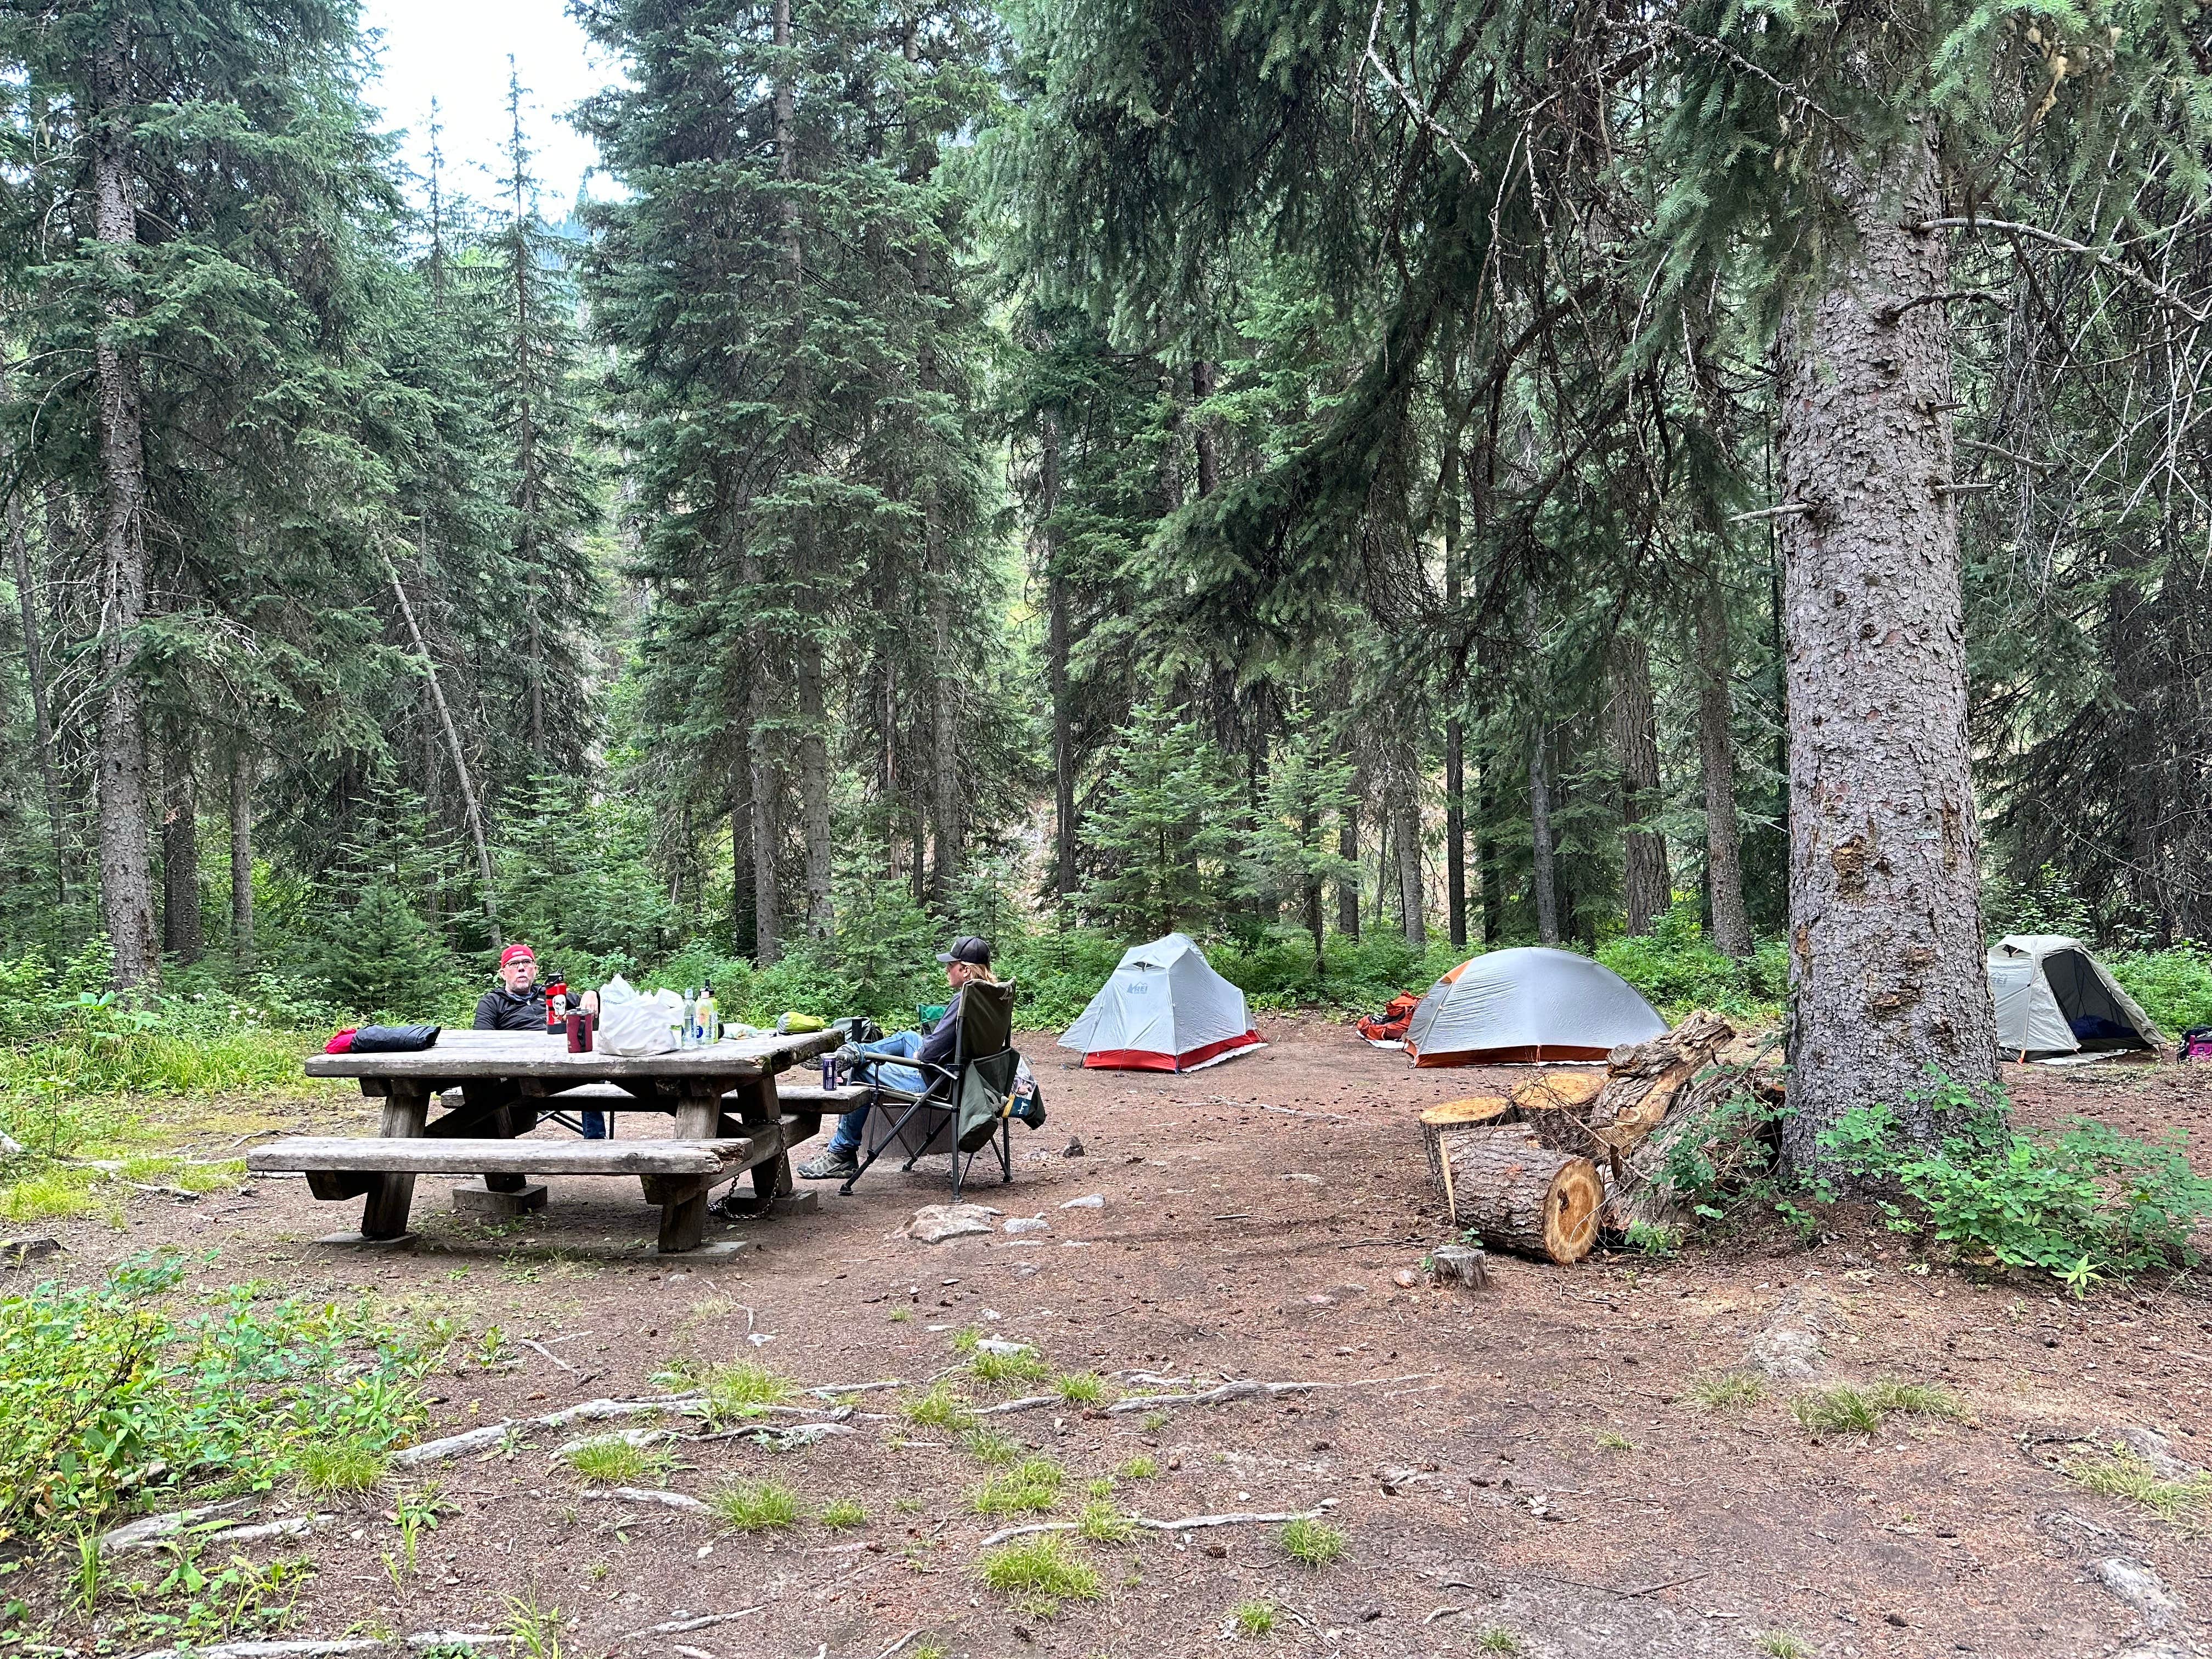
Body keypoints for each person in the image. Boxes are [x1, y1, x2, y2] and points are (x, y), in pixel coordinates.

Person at [796, 935, 997, 1181]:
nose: (946, 969)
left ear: (965, 970)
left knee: (861, 1072)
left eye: (950, 965)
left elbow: (931, 1053)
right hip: (968, 1074)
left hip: (942, 1080)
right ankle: (853, 1052)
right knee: (906, 1037)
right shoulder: (991, 995)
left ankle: (842, 1155)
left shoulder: (964, 1000)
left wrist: (921, 1053)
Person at [475, 944, 606, 1138]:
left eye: (527, 963)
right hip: (520, 1077)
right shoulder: (492, 1002)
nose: (521, 968)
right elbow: (482, 1041)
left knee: (592, 1077)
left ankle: (596, 1145)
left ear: (535, 970)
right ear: (503, 973)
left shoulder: (553, 994)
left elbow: (590, 1005)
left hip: (568, 1069)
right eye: (514, 964)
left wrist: (592, 993)